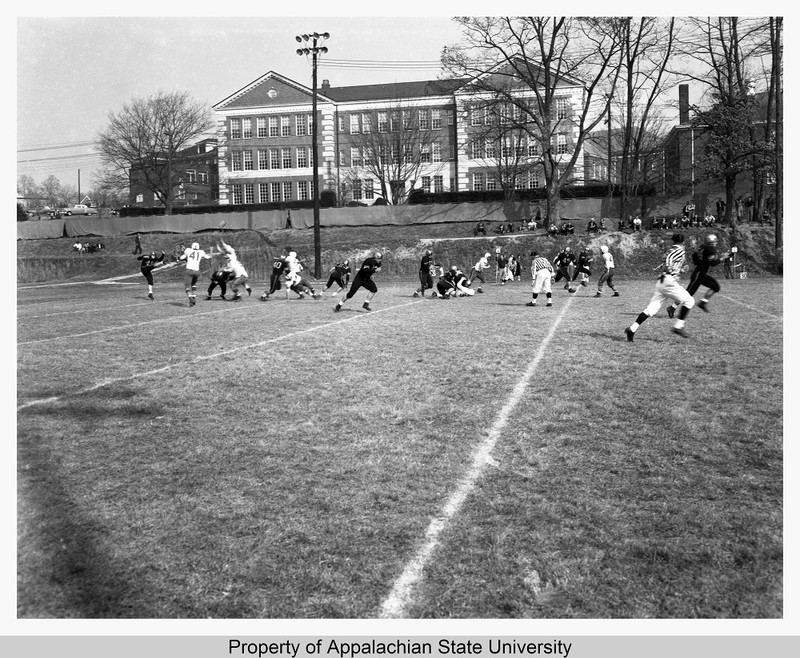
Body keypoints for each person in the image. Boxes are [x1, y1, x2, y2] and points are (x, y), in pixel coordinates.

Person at [625, 233, 694, 341]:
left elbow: (667, 261)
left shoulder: (670, 250)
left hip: (662, 281)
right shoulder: (680, 250)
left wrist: (678, 270)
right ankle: (678, 326)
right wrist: (672, 271)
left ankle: (632, 329)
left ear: (673, 241)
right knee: (689, 301)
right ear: (683, 242)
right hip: (669, 281)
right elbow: (669, 261)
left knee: (650, 309)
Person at [668, 233, 722, 316]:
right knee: (688, 294)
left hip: (701, 274)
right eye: (715, 241)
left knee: (716, 287)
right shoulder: (710, 249)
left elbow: (695, 259)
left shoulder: (702, 248)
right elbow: (713, 263)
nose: (716, 243)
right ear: (710, 242)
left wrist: (702, 262)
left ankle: (703, 303)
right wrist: (722, 258)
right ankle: (672, 307)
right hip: (699, 274)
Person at [179, 242, 212, 306]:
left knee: (187, 286)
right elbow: (208, 257)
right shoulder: (201, 252)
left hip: (189, 271)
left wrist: (184, 255)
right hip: (197, 272)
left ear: (192, 246)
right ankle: (194, 297)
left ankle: (190, 298)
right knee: (193, 284)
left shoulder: (188, 250)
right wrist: (211, 251)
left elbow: (181, 258)